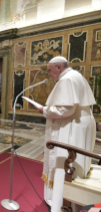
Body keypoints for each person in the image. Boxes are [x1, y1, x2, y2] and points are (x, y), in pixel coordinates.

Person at [37, 56, 96, 212]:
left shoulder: (66, 79)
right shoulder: (76, 75)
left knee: (64, 161)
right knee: (78, 163)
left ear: (58, 67)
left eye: (50, 70)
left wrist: (44, 110)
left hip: (72, 127)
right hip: (81, 123)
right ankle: (78, 201)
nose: (49, 74)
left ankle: (62, 202)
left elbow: (65, 109)